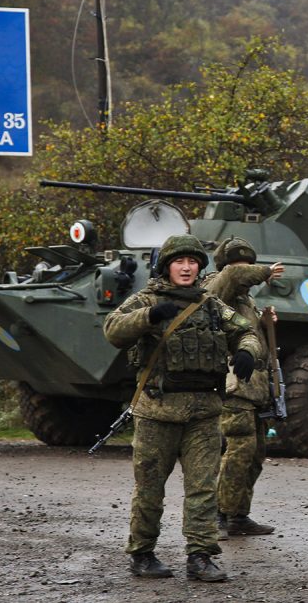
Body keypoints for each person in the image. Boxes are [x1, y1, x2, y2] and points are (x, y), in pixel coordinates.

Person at [103, 234, 261, 582]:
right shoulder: (146, 299)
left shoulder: (211, 305)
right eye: (179, 261)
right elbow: (113, 329)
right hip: (158, 412)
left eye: (192, 262)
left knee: (203, 487)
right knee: (150, 488)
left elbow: (245, 330)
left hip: (204, 413)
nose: (187, 267)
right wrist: (149, 316)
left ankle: (200, 556)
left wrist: (249, 351)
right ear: (167, 266)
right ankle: (142, 553)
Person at [201, 237, 285, 537]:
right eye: (240, 265)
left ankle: (238, 514)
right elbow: (233, 276)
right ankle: (221, 515)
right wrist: (264, 271)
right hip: (234, 386)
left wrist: (264, 323)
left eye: (249, 264)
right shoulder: (217, 287)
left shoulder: (244, 300)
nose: (245, 271)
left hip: (257, 388)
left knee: (255, 453)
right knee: (239, 449)